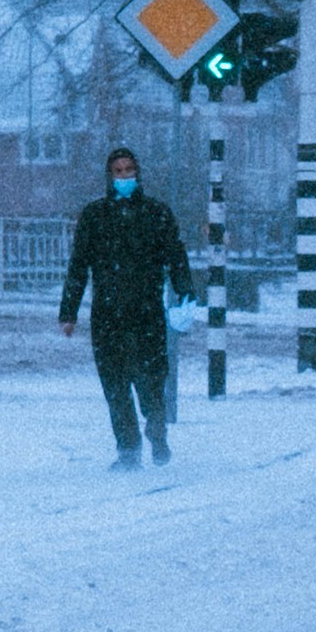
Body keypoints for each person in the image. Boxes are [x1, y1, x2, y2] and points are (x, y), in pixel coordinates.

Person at [59, 144, 195, 466]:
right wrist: (69, 312)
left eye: (129, 171)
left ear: (138, 173)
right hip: (108, 314)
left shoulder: (156, 213)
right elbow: (79, 266)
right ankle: (129, 450)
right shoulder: (95, 216)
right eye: (118, 172)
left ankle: (157, 428)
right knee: (115, 385)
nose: (124, 177)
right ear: (109, 176)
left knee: (150, 380)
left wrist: (185, 295)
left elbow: (175, 257)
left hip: (146, 312)